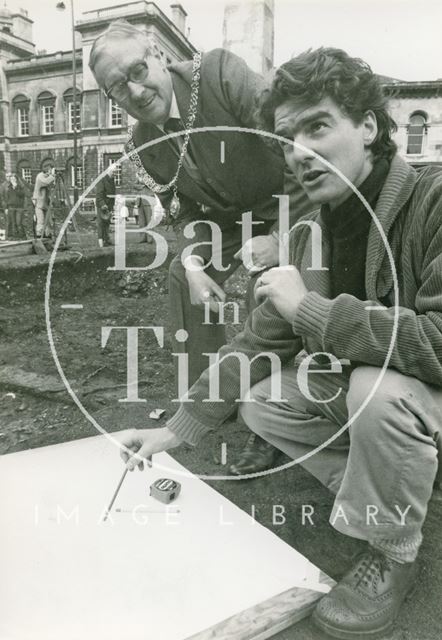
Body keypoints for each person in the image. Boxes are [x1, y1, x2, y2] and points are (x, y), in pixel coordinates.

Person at [117, 48, 442, 639]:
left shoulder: (433, 200)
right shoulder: (309, 231)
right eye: (288, 136)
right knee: (266, 398)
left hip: (419, 394)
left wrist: (310, 309)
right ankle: (403, 490)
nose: (301, 151)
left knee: (377, 388)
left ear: (368, 126)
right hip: (403, 408)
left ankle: (394, 549)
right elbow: (254, 341)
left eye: (318, 125)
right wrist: (180, 426)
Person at [89, 20, 312, 475]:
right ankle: (210, 399)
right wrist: (193, 264)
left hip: (295, 201)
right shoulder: (143, 143)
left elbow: (294, 141)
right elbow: (183, 211)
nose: (134, 91)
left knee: (264, 281)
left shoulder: (217, 74)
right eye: (117, 89)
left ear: (155, 52)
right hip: (228, 222)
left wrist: (282, 237)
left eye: (136, 71)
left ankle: (263, 424)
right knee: (181, 274)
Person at [95, 163, 117, 247]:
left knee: (107, 223)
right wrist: (103, 204)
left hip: (109, 205)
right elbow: (99, 194)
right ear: (110, 171)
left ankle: (106, 240)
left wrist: (112, 205)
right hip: (102, 205)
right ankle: (101, 242)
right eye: (114, 172)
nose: (115, 174)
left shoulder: (112, 180)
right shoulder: (102, 179)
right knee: (101, 223)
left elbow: (113, 193)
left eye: (115, 172)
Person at [32, 166, 55, 238]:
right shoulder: (40, 176)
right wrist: (53, 175)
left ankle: (47, 235)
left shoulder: (47, 176)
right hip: (39, 202)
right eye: (50, 170)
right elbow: (46, 182)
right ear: (48, 170)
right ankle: (39, 235)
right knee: (41, 220)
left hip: (46, 202)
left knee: (48, 220)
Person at [132, 172, 154, 243]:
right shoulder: (139, 175)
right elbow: (134, 185)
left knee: (149, 221)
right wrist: (141, 186)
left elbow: (151, 184)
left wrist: (142, 181)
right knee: (141, 222)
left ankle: (149, 239)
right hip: (140, 201)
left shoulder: (150, 174)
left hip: (148, 201)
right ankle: (142, 238)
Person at [5, 173, 26, 240]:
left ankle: (22, 236)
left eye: (14, 179)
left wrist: (16, 187)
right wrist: (6, 207)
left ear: (16, 180)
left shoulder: (20, 187)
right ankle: (15, 237)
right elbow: (7, 198)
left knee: (18, 222)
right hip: (11, 207)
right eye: (11, 179)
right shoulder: (8, 187)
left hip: (19, 207)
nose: (12, 180)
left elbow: (21, 195)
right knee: (13, 223)